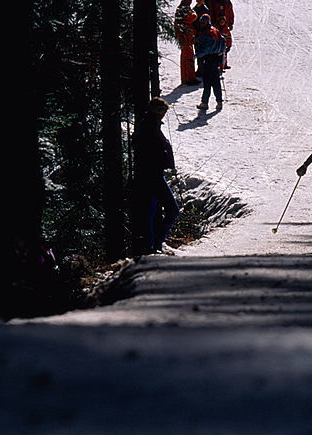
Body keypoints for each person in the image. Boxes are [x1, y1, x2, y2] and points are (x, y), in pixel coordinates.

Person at [132, 98, 180, 253]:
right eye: (163, 112)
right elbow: (152, 151)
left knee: (151, 210)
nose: (163, 116)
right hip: (152, 174)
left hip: (150, 173)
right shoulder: (149, 126)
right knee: (171, 209)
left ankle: (152, 244)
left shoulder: (148, 124)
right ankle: (155, 243)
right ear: (158, 111)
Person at [194, 15, 226, 111]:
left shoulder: (206, 33)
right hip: (215, 59)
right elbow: (223, 41)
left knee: (208, 82)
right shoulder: (215, 30)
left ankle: (205, 103)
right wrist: (221, 51)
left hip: (208, 59)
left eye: (203, 22)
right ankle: (219, 102)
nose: (201, 24)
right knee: (215, 81)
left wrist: (197, 55)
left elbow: (206, 49)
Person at [174, 0, 199, 85]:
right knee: (189, 57)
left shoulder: (179, 9)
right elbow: (192, 17)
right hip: (186, 36)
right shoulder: (184, 9)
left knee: (185, 57)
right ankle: (190, 78)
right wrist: (194, 13)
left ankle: (185, 78)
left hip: (184, 36)